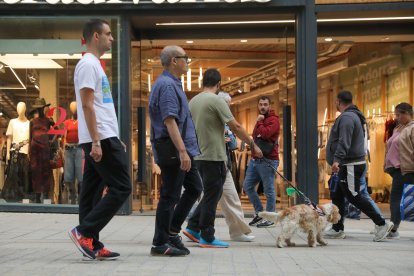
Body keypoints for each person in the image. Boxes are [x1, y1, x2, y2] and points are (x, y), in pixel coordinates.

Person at [68, 19, 131, 261]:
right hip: (99, 138)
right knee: (122, 186)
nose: (112, 38)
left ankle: (90, 243)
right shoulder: (87, 65)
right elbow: (86, 105)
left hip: (104, 136)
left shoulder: (95, 65)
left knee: (91, 191)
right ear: (96, 36)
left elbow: (100, 106)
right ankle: (84, 232)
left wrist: (113, 136)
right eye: (108, 34)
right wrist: (97, 141)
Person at [183, 69, 263, 248]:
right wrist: (253, 144)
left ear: (203, 82)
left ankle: (194, 227)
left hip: (198, 155)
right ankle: (207, 236)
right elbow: (235, 126)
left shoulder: (193, 101)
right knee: (212, 196)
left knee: (213, 192)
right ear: (219, 84)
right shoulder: (217, 100)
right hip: (214, 155)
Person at [149, 45, 203, 256]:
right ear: (174, 60)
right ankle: (160, 243)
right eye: (185, 58)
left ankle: (171, 231)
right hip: (173, 148)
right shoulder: (167, 86)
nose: (188, 61)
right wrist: (181, 151)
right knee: (169, 195)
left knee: (194, 187)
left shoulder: (173, 84)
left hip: (183, 148)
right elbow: (169, 120)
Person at [324, 90, 393, 242]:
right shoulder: (354, 115)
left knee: (354, 196)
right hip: (349, 164)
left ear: (338, 101)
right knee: (338, 195)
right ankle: (337, 228)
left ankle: (381, 223)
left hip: (350, 164)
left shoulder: (347, 117)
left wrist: (337, 160)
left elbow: (344, 141)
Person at [217, 91, 255, 242]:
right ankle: (193, 227)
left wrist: (227, 137)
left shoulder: (225, 124)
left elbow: (233, 144)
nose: (228, 109)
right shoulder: (214, 122)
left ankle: (237, 232)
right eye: (226, 106)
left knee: (229, 199)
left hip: (222, 164)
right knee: (211, 199)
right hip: (213, 163)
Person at [243, 96, 280, 228]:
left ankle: (270, 217)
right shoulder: (262, 120)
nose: (263, 107)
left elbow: (264, 134)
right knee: (247, 186)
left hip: (268, 159)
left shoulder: (274, 120)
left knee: (269, 190)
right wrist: (259, 126)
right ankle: (260, 213)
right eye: (260, 104)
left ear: (269, 106)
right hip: (255, 160)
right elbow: (254, 135)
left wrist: (259, 123)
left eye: (265, 104)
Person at [384, 102, 414, 239]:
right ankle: (393, 228)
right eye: (396, 115)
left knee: (397, 199)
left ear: (406, 114)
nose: (396, 117)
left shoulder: (412, 129)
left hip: (406, 170)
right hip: (397, 170)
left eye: (398, 115)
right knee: (399, 199)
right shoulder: (399, 128)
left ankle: (393, 228)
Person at [63, 101, 83, 204]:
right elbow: (64, 136)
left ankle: (81, 195)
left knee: (80, 174)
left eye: (75, 108)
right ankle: (72, 195)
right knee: (69, 174)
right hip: (69, 149)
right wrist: (63, 148)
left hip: (79, 148)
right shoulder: (67, 122)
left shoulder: (82, 122)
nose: (74, 110)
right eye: (72, 108)